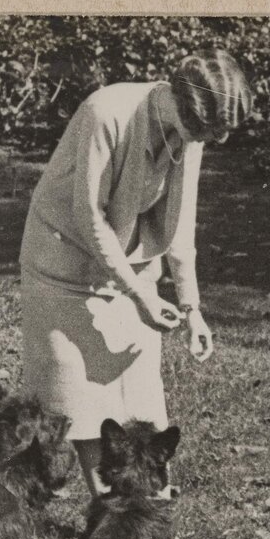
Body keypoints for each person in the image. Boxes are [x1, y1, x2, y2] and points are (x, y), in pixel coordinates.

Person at [19, 49, 253, 499]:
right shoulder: (106, 112)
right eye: (209, 131)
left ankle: (150, 504)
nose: (215, 141)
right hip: (63, 257)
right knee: (81, 387)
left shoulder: (192, 136)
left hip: (130, 257)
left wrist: (192, 306)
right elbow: (88, 216)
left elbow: (181, 221)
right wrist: (138, 293)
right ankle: (110, 506)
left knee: (139, 383)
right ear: (183, 105)